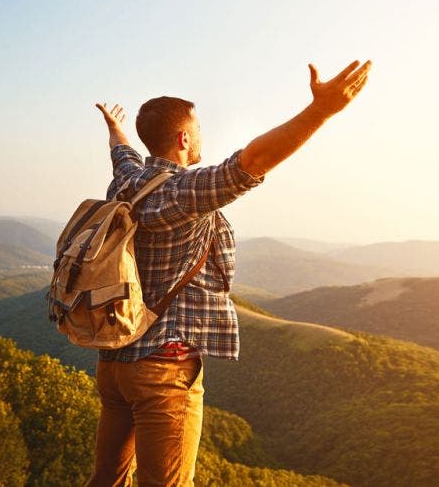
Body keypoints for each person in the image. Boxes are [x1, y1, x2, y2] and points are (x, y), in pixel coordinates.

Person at [85, 59, 372, 487]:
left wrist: (116, 127)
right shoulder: (184, 192)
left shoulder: (128, 181)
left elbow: (121, 152)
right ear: (184, 138)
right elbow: (251, 162)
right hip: (164, 368)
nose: (202, 135)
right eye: (197, 129)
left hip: (115, 364)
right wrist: (321, 111)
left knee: (107, 479)